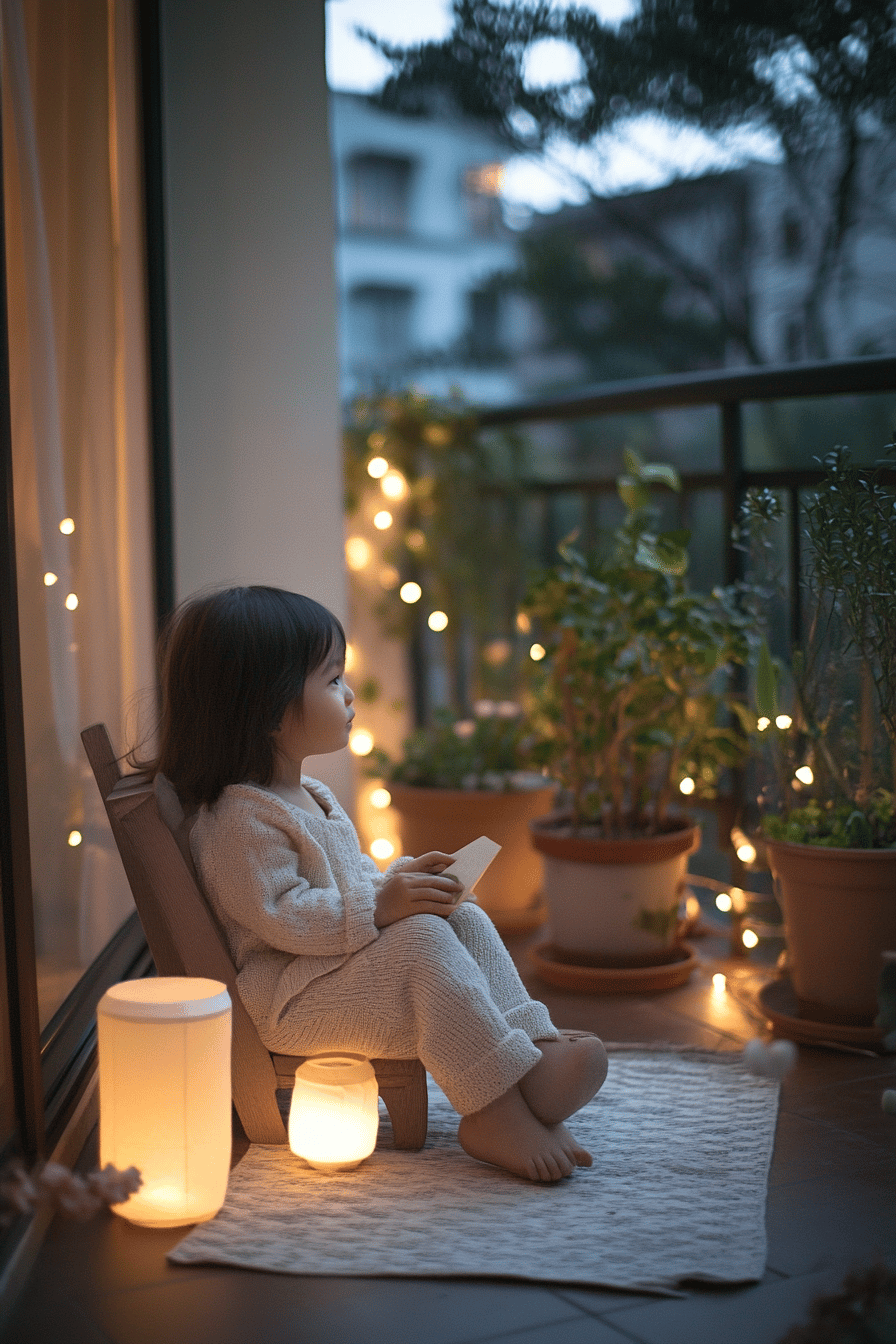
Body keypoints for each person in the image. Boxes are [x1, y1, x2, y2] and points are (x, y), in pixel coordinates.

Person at [147, 586, 607, 1182]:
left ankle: (531, 1054)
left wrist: (401, 882)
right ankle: (492, 1111)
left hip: (331, 969)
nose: (350, 694)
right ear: (268, 710)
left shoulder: (311, 795)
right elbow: (285, 915)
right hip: (292, 996)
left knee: (459, 917)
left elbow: (353, 881)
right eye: (333, 680)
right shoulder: (240, 819)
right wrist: (383, 908)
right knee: (421, 946)